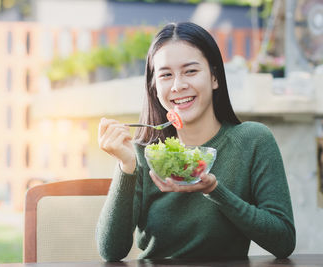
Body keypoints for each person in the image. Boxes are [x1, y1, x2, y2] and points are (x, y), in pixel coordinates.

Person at [96, 22, 295, 261]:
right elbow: (110, 252)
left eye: (190, 71)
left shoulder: (253, 141)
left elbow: (283, 242)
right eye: (166, 75)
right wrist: (126, 167)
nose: (178, 85)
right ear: (155, 86)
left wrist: (215, 190)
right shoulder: (143, 153)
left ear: (214, 78)